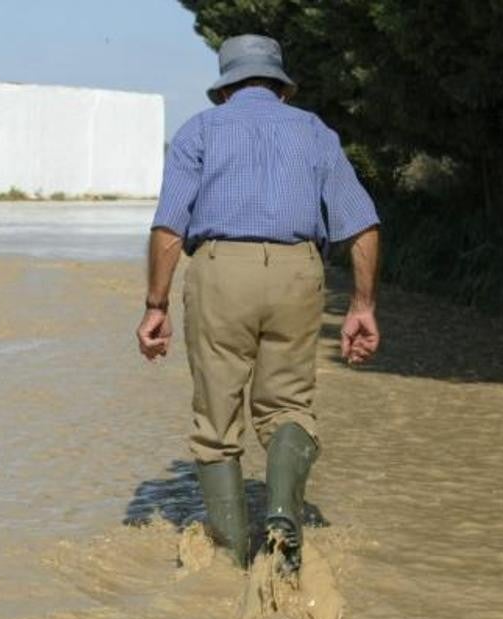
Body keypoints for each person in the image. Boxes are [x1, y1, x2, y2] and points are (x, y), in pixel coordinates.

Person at [135, 34, 381, 573]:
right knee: (288, 406)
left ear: (224, 90)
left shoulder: (199, 130)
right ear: (282, 89)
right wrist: (362, 305)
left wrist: (156, 305)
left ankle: (230, 560)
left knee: (217, 422)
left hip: (221, 269)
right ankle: (281, 518)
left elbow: (170, 228)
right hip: (299, 271)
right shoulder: (314, 131)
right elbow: (361, 224)